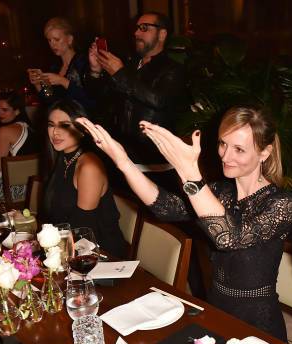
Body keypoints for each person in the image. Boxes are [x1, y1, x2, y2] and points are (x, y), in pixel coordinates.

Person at [76, 106, 292, 341]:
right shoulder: (219, 193)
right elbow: (165, 206)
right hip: (215, 308)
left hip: (256, 324)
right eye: (223, 144)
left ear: (265, 153)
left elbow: (229, 238)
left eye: (239, 149)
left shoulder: (282, 204)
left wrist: (189, 171)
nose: (225, 155)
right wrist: (123, 161)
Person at [85, 12, 186, 192]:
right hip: (122, 158)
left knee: (149, 220)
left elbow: (158, 99)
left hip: (154, 165)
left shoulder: (173, 69)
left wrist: (120, 74)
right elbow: (101, 99)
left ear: (162, 34)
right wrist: (95, 71)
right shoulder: (129, 65)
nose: (137, 33)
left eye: (144, 28)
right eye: (137, 28)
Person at [41, 99, 125, 258]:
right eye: (51, 124)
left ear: (82, 130)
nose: (55, 132)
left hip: (100, 255)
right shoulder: (62, 158)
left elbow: (84, 229)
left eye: (65, 125)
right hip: (69, 248)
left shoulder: (89, 167)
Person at [27, 17, 92, 110]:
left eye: (56, 39)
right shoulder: (55, 68)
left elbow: (91, 100)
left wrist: (62, 81)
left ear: (69, 39)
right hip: (61, 121)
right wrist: (38, 84)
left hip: (81, 122)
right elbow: (50, 100)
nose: (52, 44)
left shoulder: (84, 63)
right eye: (49, 40)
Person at [0, 91, 38, 200]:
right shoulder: (30, 127)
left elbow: (0, 165)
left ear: (17, 111)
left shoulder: (4, 131)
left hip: (16, 191)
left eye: (4, 110)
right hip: (35, 187)